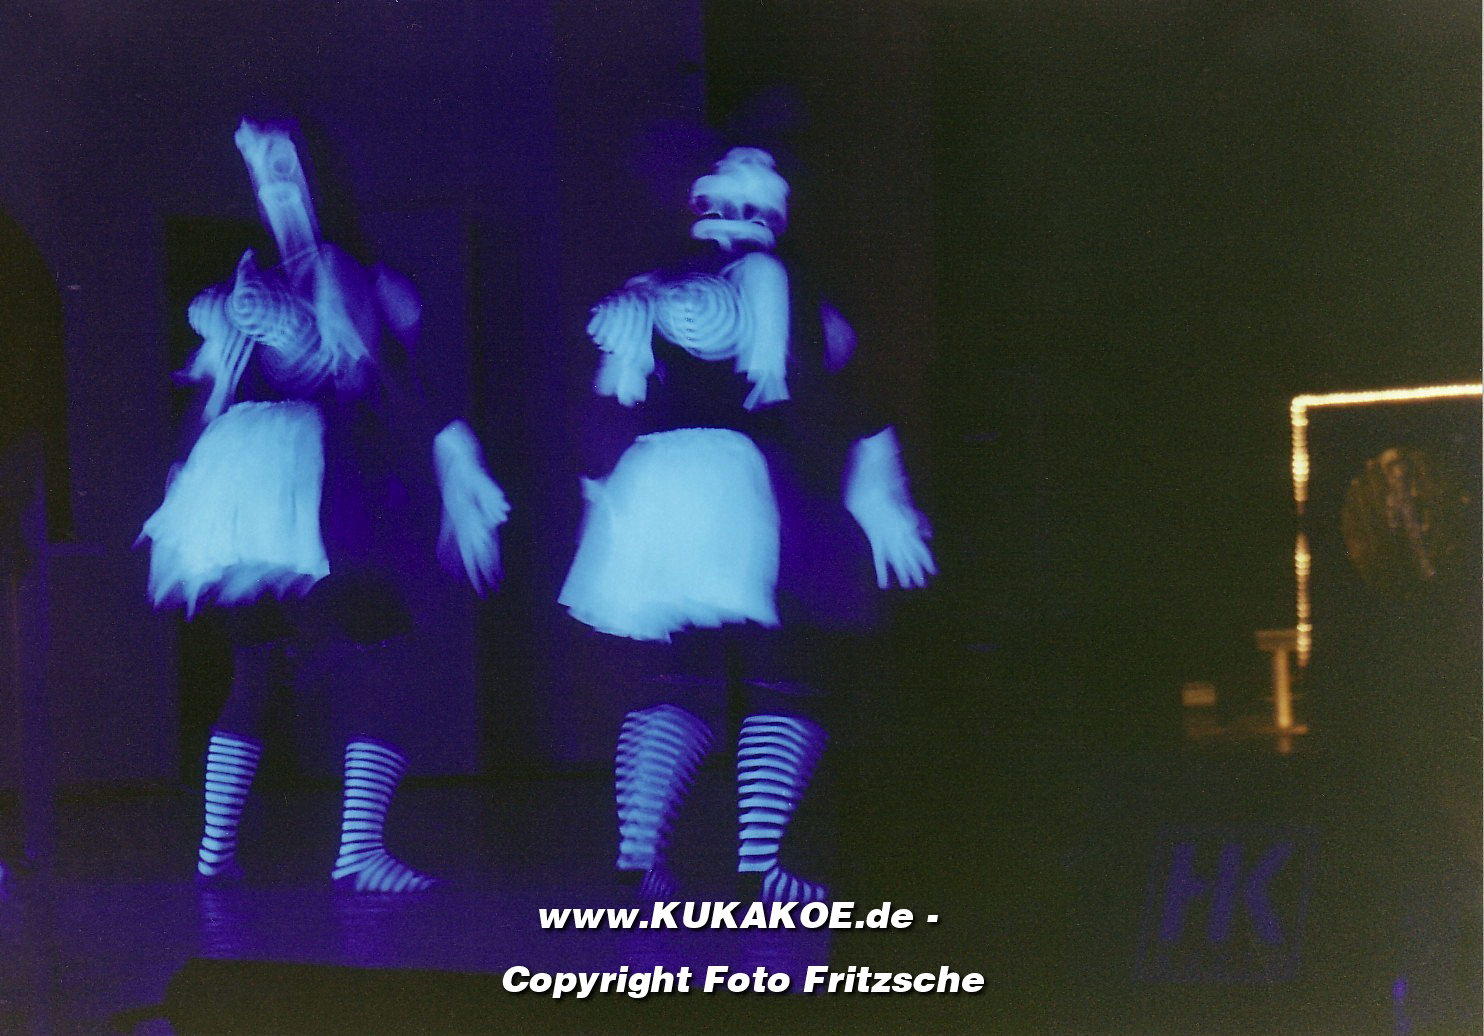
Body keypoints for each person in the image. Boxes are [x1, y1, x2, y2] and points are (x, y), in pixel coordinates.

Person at [140, 120, 508, 893]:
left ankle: (223, 853)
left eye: (285, 168)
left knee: (273, 664)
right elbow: (219, 393)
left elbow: (390, 372)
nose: (274, 185)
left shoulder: (341, 277)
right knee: (369, 653)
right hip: (304, 482)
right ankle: (343, 851)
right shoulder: (263, 290)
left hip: (270, 484)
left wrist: (451, 449)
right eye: (262, 172)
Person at [560, 147, 934, 903]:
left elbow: (608, 406)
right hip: (752, 487)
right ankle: (759, 866)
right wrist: (876, 487)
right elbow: (825, 398)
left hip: (659, 486)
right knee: (780, 672)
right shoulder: (776, 289)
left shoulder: (649, 298)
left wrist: (602, 496)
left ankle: (641, 862)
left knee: (682, 676)